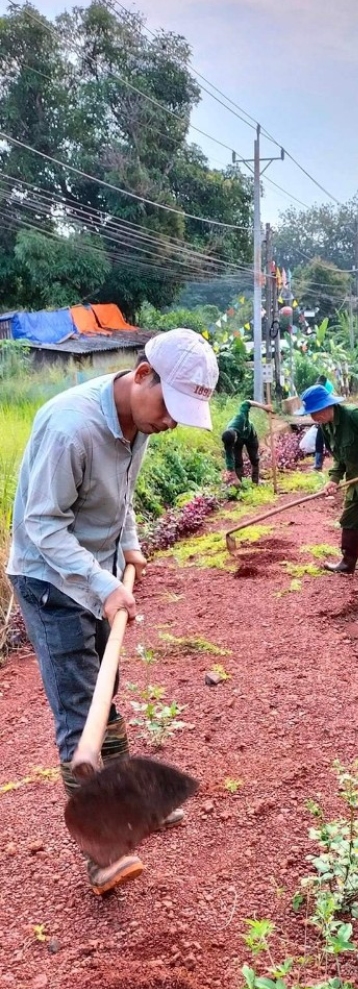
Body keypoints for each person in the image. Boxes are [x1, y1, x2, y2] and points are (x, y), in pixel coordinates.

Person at [8, 328, 219, 895]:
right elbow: (42, 523)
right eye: (169, 407)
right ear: (143, 374)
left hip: (99, 576)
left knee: (107, 694)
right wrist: (103, 582)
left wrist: (126, 544)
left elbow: (119, 497)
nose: (171, 422)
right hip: (50, 581)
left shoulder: (139, 422)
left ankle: (130, 806)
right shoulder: (71, 426)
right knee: (83, 714)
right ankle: (101, 852)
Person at [297, 383, 358, 587]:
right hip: (356, 479)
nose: (313, 418)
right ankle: (348, 562)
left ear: (327, 406)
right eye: (311, 414)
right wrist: (333, 479)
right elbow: (340, 456)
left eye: (315, 412)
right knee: (349, 520)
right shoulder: (326, 425)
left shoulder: (353, 415)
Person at [222, 398, 272, 486]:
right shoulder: (228, 440)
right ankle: (239, 484)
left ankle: (255, 482)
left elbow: (247, 402)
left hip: (250, 435)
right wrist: (234, 477)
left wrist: (265, 407)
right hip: (239, 441)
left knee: (254, 458)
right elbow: (229, 459)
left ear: (235, 437)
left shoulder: (240, 417)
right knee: (238, 461)